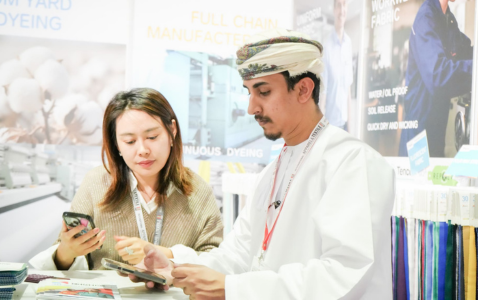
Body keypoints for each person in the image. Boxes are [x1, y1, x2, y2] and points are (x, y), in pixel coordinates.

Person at [125, 29, 395, 299]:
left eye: (263, 92)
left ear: (303, 89)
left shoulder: (352, 162)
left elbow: (344, 275)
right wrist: (173, 270)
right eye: (249, 93)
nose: (251, 107)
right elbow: (239, 255)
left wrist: (234, 289)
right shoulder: (272, 172)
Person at [30, 88, 223, 270]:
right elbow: (61, 258)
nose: (143, 150)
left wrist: (165, 254)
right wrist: (67, 252)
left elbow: (219, 260)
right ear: (116, 144)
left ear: (172, 131)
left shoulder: (197, 190)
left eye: (152, 137)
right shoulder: (96, 183)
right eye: (129, 141)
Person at [398, 0, 473, 157]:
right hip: (418, 135)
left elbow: (465, 50)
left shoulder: (447, 19)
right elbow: (438, 75)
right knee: (417, 181)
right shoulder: (426, 17)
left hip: (436, 132)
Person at [322, 0, 354, 131]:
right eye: (339, 5)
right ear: (334, 9)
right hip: (331, 126)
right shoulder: (326, 46)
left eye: (345, 5)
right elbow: (323, 92)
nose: (342, 10)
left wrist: (351, 130)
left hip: (345, 125)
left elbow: (348, 91)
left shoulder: (348, 44)